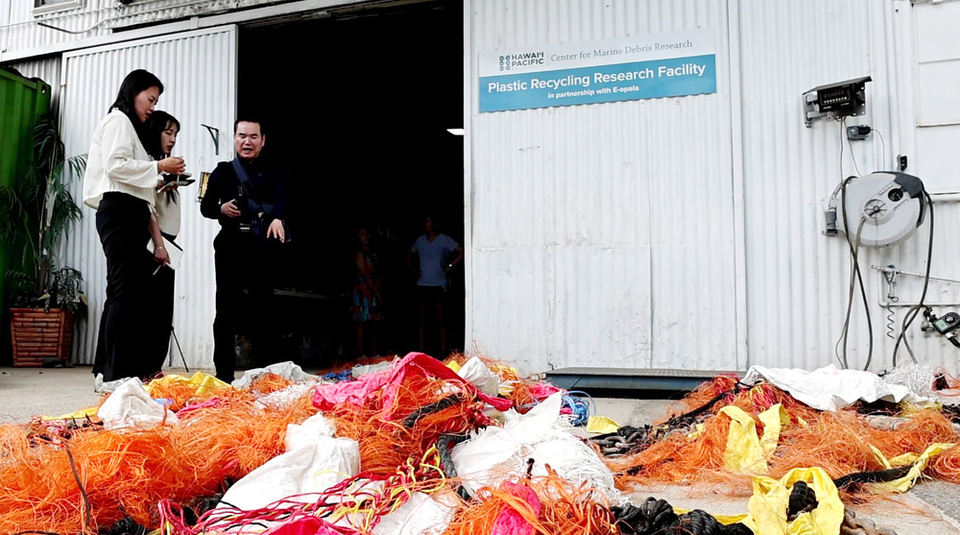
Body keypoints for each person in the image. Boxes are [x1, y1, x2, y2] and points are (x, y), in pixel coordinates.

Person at [83, 69, 185, 383]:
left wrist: (157, 175)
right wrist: (159, 166)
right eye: (150, 99)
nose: (152, 106)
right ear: (134, 91)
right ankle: (118, 373)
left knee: (122, 292)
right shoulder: (119, 121)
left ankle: (109, 370)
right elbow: (115, 166)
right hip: (119, 209)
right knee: (125, 293)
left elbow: (140, 187)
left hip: (130, 210)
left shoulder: (131, 130)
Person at [200, 117, 289, 383]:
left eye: (253, 136)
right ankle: (223, 375)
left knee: (264, 309)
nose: (247, 142)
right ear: (235, 138)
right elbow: (205, 207)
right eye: (242, 136)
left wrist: (277, 218)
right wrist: (220, 209)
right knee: (225, 311)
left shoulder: (274, 171)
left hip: (261, 248)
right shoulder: (223, 170)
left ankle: (264, 373)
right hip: (230, 247)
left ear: (262, 141)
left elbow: (285, 198)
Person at [144, 110, 181, 374]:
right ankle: (144, 367)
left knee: (163, 310)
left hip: (168, 242)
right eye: (168, 133)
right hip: (154, 244)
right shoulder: (147, 164)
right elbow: (148, 209)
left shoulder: (164, 166)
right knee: (150, 308)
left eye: (175, 134)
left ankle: (154, 367)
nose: (173, 139)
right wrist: (159, 244)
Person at [407, 215, 463, 355]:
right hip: (423, 283)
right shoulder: (420, 241)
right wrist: (414, 272)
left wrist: (450, 266)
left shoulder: (444, 239)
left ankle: (443, 349)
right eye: (424, 221)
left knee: (441, 318)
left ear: (434, 223)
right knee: (422, 318)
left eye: (428, 221)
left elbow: (461, 251)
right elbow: (409, 255)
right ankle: (421, 348)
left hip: (439, 283)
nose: (426, 224)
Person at [352, 227, 384, 358]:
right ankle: (361, 354)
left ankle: (374, 352)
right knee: (362, 322)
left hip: (374, 287)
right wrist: (376, 291)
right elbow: (365, 274)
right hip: (363, 290)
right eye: (362, 234)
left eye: (367, 233)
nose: (365, 236)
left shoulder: (373, 253)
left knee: (374, 321)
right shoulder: (359, 253)